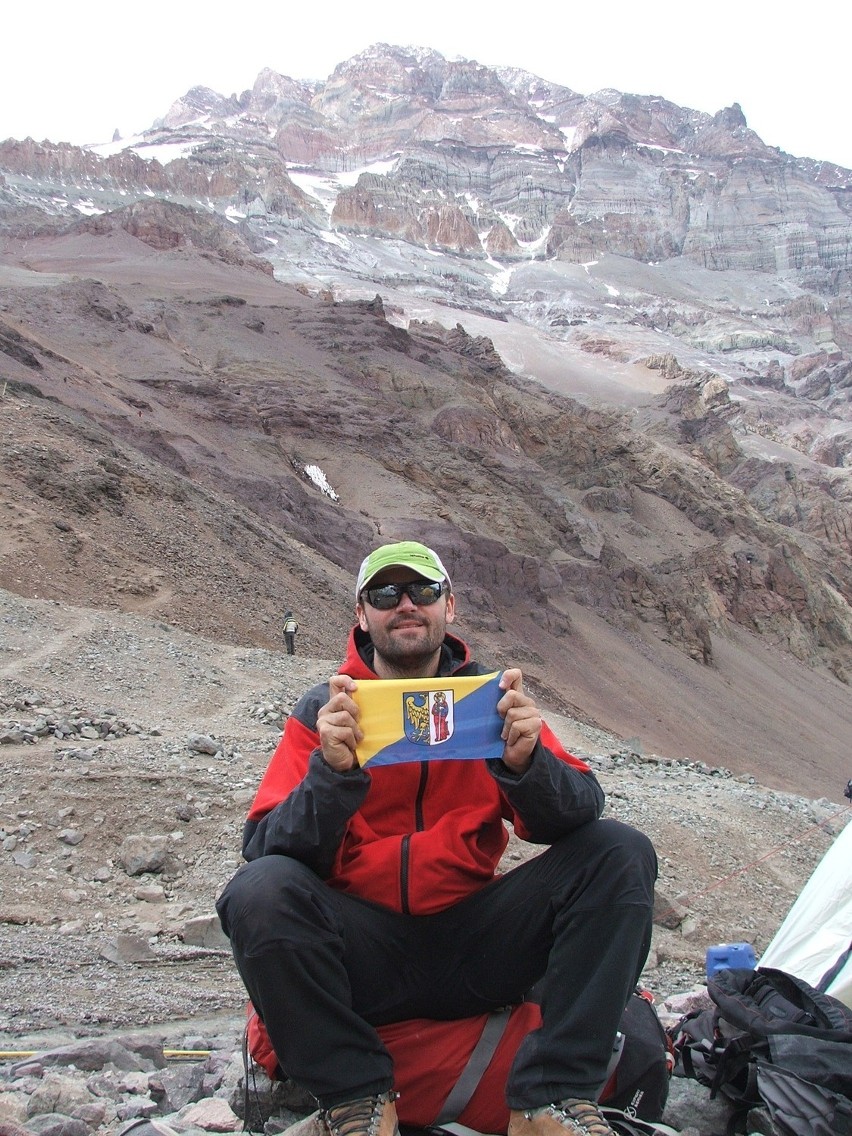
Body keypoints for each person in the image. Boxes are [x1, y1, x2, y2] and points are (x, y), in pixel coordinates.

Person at [217, 541, 657, 1136]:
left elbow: (578, 812)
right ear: (361, 614)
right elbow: (266, 848)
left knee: (619, 852)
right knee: (260, 889)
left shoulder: (487, 700)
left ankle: (552, 1101)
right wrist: (332, 776)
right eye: (385, 594)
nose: (405, 606)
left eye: (422, 591)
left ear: (450, 607)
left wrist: (528, 766)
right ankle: (357, 1101)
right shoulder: (329, 708)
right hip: (363, 953)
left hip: (474, 940)